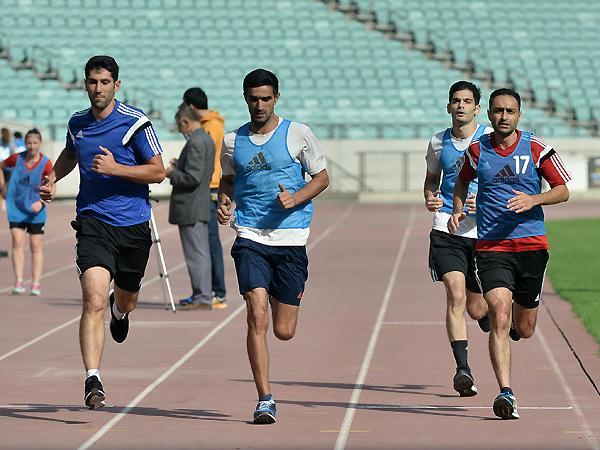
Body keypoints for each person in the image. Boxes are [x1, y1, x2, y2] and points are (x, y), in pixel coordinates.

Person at [39, 55, 166, 410]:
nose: (98, 88)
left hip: (133, 225)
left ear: (116, 85)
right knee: (92, 299)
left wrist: (115, 169)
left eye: (105, 82)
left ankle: (120, 311)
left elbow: (158, 172)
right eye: (93, 82)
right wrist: (52, 178)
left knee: (126, 299)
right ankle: (92, 378)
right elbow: (71, 153)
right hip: (93, 221)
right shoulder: (77, 123)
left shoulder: (135, 122)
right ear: (85, 84)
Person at [449, 88, 570, 420]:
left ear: (519, 115)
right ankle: (506, 393)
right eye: (498, 110)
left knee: (525, 328)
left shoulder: (536, 148)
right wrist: (458, 208)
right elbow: (461, 182)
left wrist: (534, 199)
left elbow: (563, 190)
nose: (504, 116)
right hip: (492, 247)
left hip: (531, 247)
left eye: (510, 111)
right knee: (499, 314)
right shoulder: (477, 150)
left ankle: (519, 324)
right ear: (489, 114)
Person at [217, 69, 329, 424]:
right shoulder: (232, 141)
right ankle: (265, 398)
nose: (260, 105)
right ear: (245, 99)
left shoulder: (298, 134)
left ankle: (286, 301)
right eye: (254, 99)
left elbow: (322, 178)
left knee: (284, 330)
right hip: (250, 236)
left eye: (266, 98)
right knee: (256, 312)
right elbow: (229, 180)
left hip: (291, 239)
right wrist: (224, 202)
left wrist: (296, 198)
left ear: (276, 98)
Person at [424, 81, 491, 397]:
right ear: (449, 106)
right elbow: (431, 180)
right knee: (455, 293)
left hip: (483, 231)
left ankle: (488, 313)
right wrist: (430, 197)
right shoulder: (438, 142)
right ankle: (463, 369)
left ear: (477, 108)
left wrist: (485, 202)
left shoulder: (490, 140)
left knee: (476, 309)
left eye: (467, 101)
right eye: (456, 100)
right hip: (446, 228)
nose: (461, 105)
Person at [182, 87, 228, 309]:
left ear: (191, 107)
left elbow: (201, 160)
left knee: (209, 243)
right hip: (207, 186)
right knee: (205, 242)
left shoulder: (211, 127)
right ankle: (205, 291)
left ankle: (217, 292)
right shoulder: (211, 125)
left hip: (208, 188)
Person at [167, 103, 215, 310]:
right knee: (200, 252)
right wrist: (180, 165)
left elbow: (193, 177)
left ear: (185, 122)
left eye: (180, 126)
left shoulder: (196, 142)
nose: (180, 130)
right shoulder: (205, 138)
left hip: (191, 205)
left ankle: (202, 296)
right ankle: (201, 294)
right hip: (199, 203)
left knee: (196, 254)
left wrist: (172, 173)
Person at [0, 128, 52, 295]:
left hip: (36, 209)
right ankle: (19, 281)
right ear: (25, 143)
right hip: (16, 207)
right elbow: (1, 167)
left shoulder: (46, 163)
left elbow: (52, 185)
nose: (31, 146)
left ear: (40, 143)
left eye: (35, 143)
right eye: (29, 143)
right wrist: (3, 189)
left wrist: (41, 201)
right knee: (17, 242)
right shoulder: (16, 158)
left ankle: (36, 283)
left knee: (35, 245)